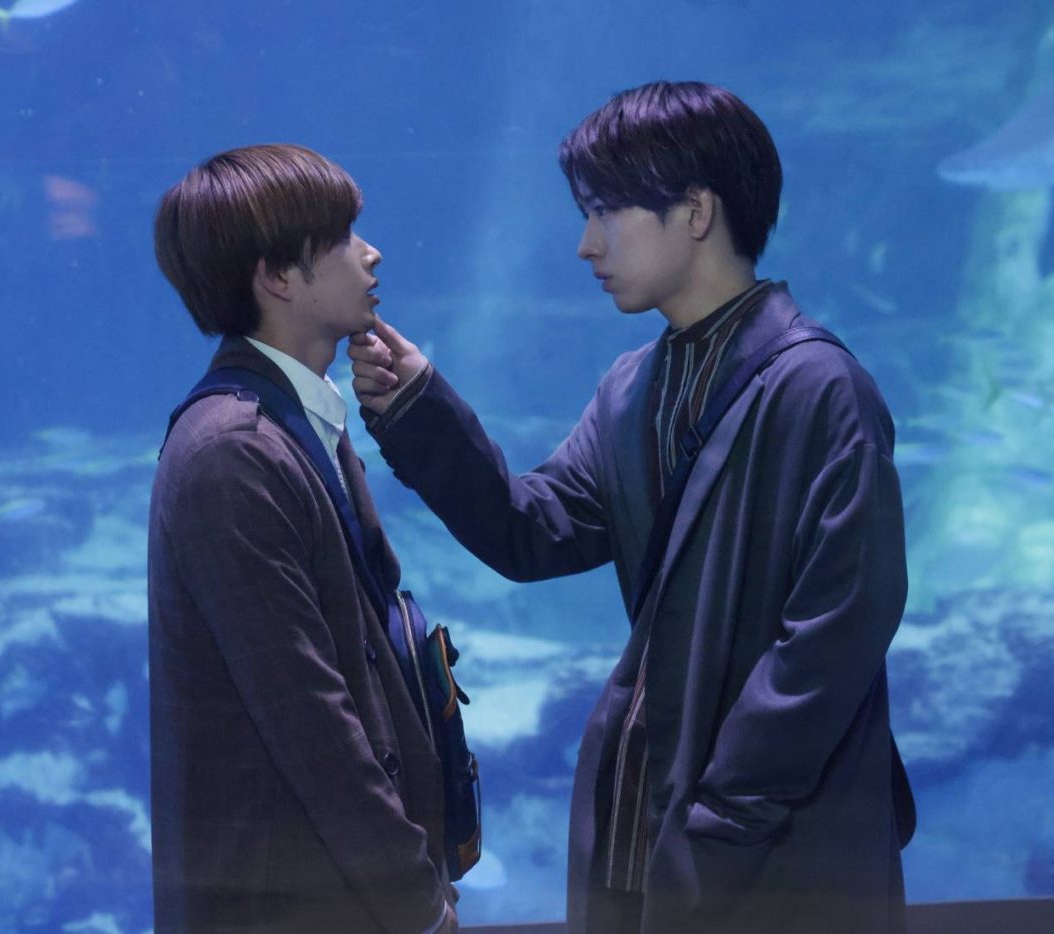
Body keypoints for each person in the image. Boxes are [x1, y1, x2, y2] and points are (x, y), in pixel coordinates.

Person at [349, 82, 914, 933]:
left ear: (697, 211)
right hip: (640, 826)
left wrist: (726, 812)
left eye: (606, 212)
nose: (586, 244)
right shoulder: (632, 387)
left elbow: (838, 630)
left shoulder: (820, 389)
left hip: (771, 849)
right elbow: (531, 531)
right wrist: (418, 406)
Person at [148, 143, 456, 933]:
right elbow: (309, 717)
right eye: (344, 237)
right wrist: (416, 903)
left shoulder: (297, 422)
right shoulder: (233, 451)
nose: (371, 253)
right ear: (278, 276)